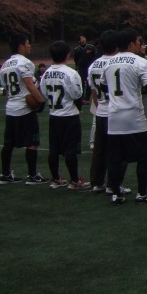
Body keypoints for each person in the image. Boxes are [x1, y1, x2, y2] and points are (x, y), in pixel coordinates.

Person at [101, 28, 147, 205]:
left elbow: (104, 86)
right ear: (130, 44)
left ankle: (116, 193)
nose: (139, 45)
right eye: (137, 42)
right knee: (144, 156)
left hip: (114, 116)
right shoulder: (140, 62)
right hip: (134, 115)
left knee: (115, 158)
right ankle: (141, 193)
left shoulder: (109, 63)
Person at [0, 34, 48, 185]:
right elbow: (29, 84)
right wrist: (41, 100)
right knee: (32, 142)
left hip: (11, 108)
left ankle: (5, 174)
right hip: (24, 108)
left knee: (8, 143)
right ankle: (32, 175)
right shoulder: (25, 62)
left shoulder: (5, 65)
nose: (29, 46)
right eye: (27, 43)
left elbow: (6, 90)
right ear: (20, 46)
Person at [40, 40, 90, 191]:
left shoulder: (46, 73)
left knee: (54, 149)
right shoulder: (71, 73)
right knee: (70, 150)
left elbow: (43, 93)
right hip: (69, 115)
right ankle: (74, 180)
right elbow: (77, 94)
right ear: (68, 55)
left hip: (54, 114)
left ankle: (55, 178)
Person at [88, 30, 127, 194]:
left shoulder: (93, 65)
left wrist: (99, 107)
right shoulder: (118, 63)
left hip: (102, 110)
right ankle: (114, 184)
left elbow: (94, 91)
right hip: (116, 111)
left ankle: (97, 182)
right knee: (118, 150)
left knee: (99, 149)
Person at [73, 35, 97, 100]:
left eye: (84, 38)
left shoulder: (91, 47)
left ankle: (87, 98)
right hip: (81, 68)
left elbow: (94, 56)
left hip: (89, 67)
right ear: (79, 41)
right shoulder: (77, 49)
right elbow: (76, 59)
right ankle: (81, 97)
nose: (83, 39)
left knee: (89, 82)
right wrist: (77, 67)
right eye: (81, 38)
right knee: (81, 82)